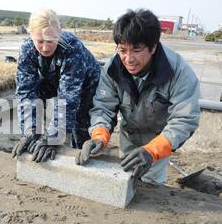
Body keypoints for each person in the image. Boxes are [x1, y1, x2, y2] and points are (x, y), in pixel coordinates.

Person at [76, 9, 201, 185]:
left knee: (150, 185)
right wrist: (99, 136)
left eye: (136, 50)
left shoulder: (178, 72)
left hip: (159, 138)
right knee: (125, 179)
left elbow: (184, 119)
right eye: (122, 50)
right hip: (130, 134)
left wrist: (152, 151)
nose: (128, 59)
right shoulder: (113, 68)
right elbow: (103, 106)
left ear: (153, 46)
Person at [11, 9, 101, 162]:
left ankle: (79, 157)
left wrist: (52, 139)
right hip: (53, 81)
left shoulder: (72, 49)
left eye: (51, 41)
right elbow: (25, 92)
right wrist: (30, 131)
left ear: (59, 32)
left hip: (88, 87)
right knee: (36, 114)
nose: (45, 47)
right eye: (40, 41)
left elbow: (68, 98)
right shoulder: (27, 50)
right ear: (31, 34)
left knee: (80, 131)